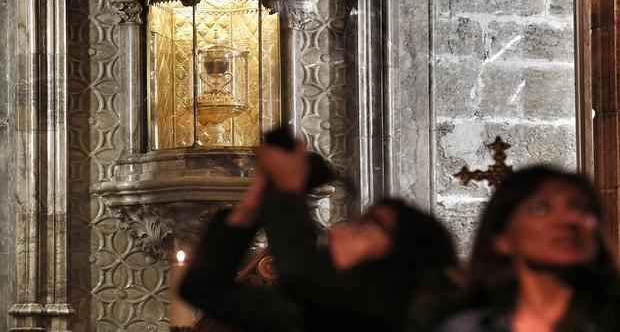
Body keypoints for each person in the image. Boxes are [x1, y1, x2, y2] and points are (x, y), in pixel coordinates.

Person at [181, 141, 459, 332]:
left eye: (364, 229)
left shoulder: (389, 316)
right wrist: (253, 206)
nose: (336, 232)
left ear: (402, 259)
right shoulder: (306, 312)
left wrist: (289, 191)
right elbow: (204, 288)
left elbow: (304, 277)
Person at [437, 165, 620, 332]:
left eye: (581, 208)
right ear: (503, 238)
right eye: (541, 208)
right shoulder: (468, 328)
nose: (569, 220)